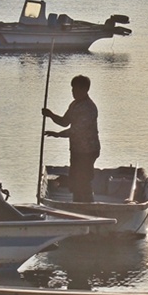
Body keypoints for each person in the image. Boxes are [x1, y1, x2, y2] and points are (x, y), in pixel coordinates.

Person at [43, 74, 100, 203]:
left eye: (76, 89)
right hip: (77, 149)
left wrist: (57, 134)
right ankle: (77, 203)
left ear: (85, 89)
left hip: (88, 150)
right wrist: (50, 115)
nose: (73, 92)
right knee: (75, 179)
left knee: (83, 179)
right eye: (72, 89)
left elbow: (76, 131)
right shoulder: (74, 104)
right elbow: (65, 121)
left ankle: (88, 204)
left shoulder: (89, 108)